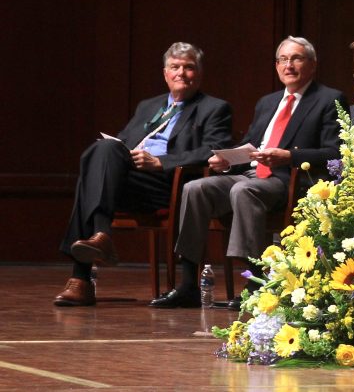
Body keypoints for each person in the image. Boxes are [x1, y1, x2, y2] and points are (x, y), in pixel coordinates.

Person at [151, 36, 347, 309]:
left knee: (242, 190)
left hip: (286, 180)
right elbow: (251, 147)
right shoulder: (268, 102)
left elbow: (334, 152)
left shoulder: (328, 99)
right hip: (251, 173)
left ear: (312, 65)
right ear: (277, 66)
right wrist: (227, 161)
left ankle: (254, 281)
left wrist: (290, 156)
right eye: (283, 60)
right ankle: (188, 284)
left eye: (296, 59)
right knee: (195, 188)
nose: (288, 65)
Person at [54, 43, 233, 306]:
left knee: (92, 176)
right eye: (175, 67)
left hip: (168, 184)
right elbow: (122, 142)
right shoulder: (148, 106)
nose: (181, 73)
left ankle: (81, 278)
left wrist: (160, 162)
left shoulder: (214, 108)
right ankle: (100, 238)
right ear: (165, 73)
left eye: (188, 67)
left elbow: (215, 150)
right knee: (101, 152)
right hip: (130, 180)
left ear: (199, 73)